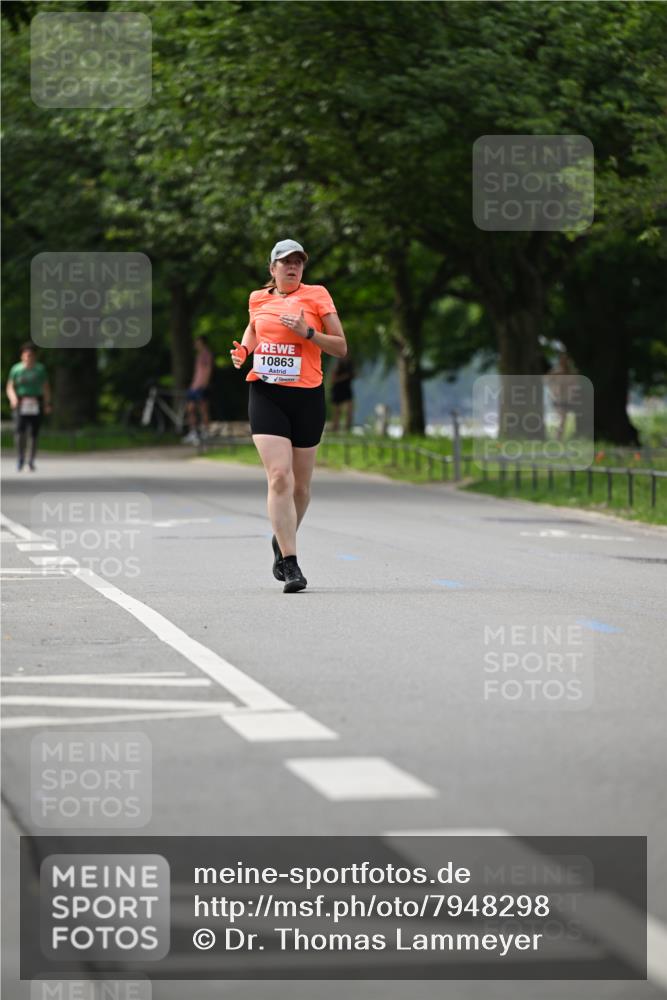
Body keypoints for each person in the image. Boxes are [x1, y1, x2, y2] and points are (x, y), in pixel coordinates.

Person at [230, 239, 347, 593]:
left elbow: (340, 347)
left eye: (298, 262)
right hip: (266, 393)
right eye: (285, 262)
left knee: (301, 487)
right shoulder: (258, 298)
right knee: (280, 476)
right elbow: (254, 327)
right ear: (273, 268)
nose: (293, 266)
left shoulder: (317, 296)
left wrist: (307, 332)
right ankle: (291, 563)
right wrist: (244, 350)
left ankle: (281, 536)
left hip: (307, 396)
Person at [6, 342, 52, 471]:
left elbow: (46, 388)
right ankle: (20, 458)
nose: (28, 358)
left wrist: (47, 403)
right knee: (19, 432)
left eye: (31, 355)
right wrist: (13, 399)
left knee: (33, 433)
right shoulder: (16, 369)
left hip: (36, 402)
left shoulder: (40, 370)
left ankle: (31, 460)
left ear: (34, 356)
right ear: (22, 356)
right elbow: (10, 387)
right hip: (21, 402)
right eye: (26, 355)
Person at [183, 335, 214, 444]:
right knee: (190, 409)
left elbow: (208, 369)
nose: (196, 344)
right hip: (194, 386)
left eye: (198, 342)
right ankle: (193, 432)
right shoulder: (199, 355)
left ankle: (206, 432)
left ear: (202, 343)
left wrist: (204, 384)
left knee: (203, 409)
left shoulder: (206, 354)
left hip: (201, 386)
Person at [330, 354, 355, 432]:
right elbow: (333, 379)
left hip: (347, 388)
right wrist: (344, 377)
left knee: (350, 409)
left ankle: (347, 428)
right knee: (337, 410)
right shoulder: (337, 364)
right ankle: (335, 427)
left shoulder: (350, 364)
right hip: (338, 389)